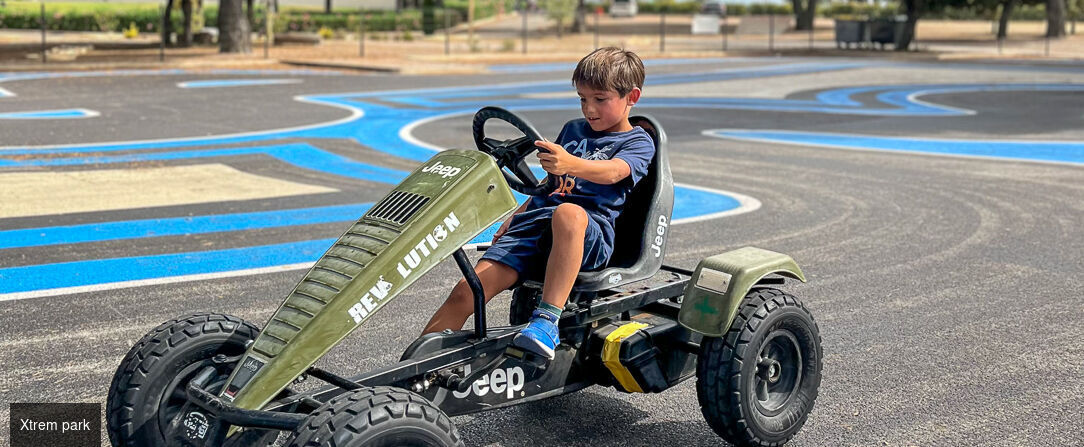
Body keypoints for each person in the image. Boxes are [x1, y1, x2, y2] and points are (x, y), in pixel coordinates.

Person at [422, 47, 655, 360]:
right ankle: (412, 375)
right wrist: (517, 215)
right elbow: (549, 187)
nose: (589, 108)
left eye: (600, 99)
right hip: (538, 226)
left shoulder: (637, 142)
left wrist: (570, 163)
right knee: (468, 290)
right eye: (583, 98)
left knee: (569, 212)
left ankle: (547, 321)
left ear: (632, 97)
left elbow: (614, 172)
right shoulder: (573, 130)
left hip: (588, 234)